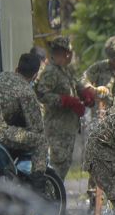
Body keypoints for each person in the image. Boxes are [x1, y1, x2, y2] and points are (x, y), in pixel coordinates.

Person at [34, 36, 94, 179]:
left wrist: (85, 94)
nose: (71, 56)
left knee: (64, 165)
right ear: (65, 53)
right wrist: (65, 101)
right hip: (56, 129)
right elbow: (41, 94)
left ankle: (55, 197)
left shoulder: (65, 71)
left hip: (68, 127)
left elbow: (76, 86)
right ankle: (50, 198)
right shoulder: (51, 72)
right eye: (69, 53)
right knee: (56, 168)